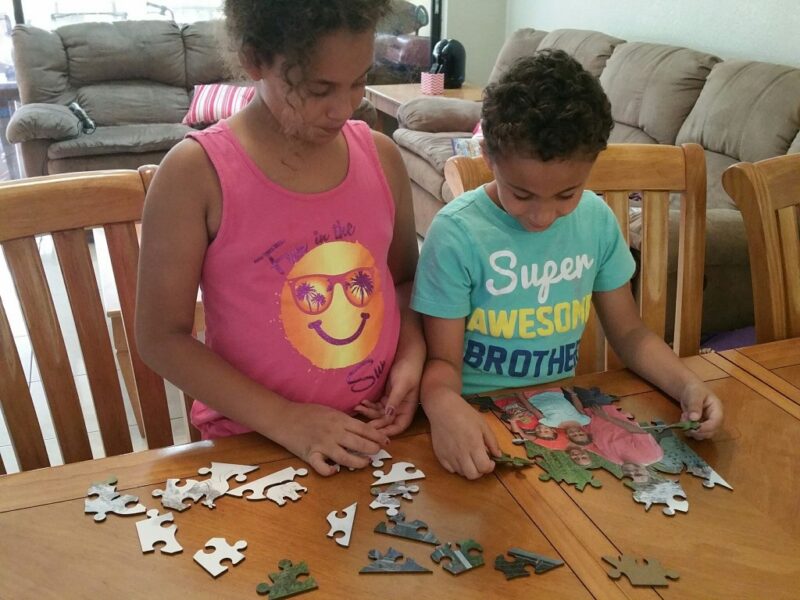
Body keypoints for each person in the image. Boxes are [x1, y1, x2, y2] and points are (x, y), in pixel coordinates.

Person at [135, 0, 425, 476]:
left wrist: (410, 359)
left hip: (376, 434)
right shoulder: (196, 174)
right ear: (254, 60)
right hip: (255, 446)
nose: (345, 107)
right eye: (318, 88)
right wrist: (286, 420)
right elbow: (160, 338)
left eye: (358, 81)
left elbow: (404, 283)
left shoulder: (382, 157)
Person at [412, 49, 723, 480]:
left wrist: (687, 384)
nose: (541, 217)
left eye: (566, 195)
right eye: (521, 194)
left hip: (560, 422)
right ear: (488, 157)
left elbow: (630, 334)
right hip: (475, 426)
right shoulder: (456, 234)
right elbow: (441, 364)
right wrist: (443, 406)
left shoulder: (596, 221)